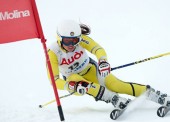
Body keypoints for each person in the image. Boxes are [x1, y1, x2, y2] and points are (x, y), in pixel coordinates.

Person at [47, 20, 170, 110]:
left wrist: (103, 61)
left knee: (117, 85)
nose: (71, 44)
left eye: (75, 40)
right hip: (73, 78)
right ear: (59, 38)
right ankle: (113, 98)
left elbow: (97, 48)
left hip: (91, 68)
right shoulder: (53, 52)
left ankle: (153, 94)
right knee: (82, 85)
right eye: (67, 41)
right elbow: (54, 80)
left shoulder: (81, 40)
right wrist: (69, 86)